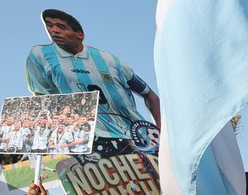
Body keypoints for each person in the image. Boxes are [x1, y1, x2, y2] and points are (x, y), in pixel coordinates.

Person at [26, 9, 160, 145]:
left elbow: (149, 94)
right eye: (49, 25)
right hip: (88, 140)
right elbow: (41, 98)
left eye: (61, 27)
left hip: (135, 137)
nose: (54, 30)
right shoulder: (40, 55)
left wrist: (161, 131)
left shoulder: (110, 61)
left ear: (80, 35)